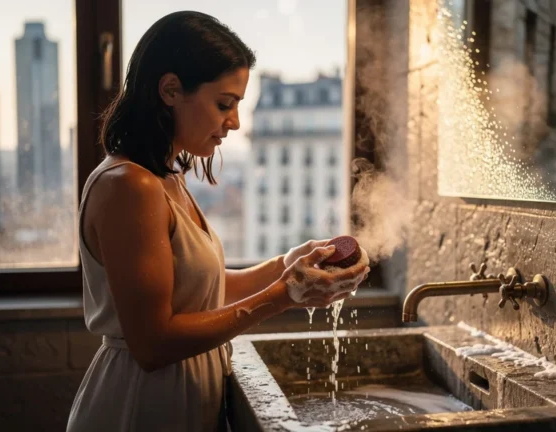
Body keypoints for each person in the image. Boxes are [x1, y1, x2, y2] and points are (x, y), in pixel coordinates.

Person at [66, 11, 369, 432]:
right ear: (170, 89)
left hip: (178, 399)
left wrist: (288, 264)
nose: (236, 122)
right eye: (224, 104)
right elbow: (153, 343)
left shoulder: (165, 176)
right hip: (139, 407)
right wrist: (284, 295)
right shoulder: (128, 186)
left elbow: (202, 291)